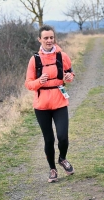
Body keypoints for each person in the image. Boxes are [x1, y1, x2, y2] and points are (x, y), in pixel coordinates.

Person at [25, 25, 75, 183]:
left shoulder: (62, 56)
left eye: (51, 37)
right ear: (39, 39)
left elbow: (70, 73)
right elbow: (28, 84)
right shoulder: (35, 60)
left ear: (54, 39)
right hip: (41, 106)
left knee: (63, 137)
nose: (49, 40)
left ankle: (63, 159)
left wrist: (69, 77)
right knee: (49, 139)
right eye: (45, 38)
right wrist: (39, 81)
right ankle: (52, 169)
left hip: (60, 102)